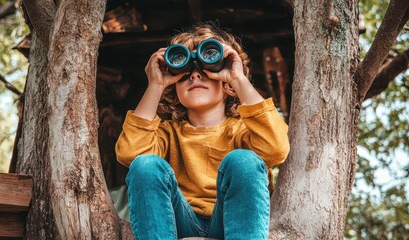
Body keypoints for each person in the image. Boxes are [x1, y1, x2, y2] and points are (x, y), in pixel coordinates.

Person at [115, 22, 290, 240]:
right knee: (145, 164)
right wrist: (156, 85)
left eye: (206, 70)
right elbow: (130, 154)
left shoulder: (243, 131)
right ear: (174, 88)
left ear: (226, 84)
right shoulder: (167, 134)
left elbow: (277, 148)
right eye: (185, 71)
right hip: (176, 222)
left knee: (243, 161)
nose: (195, 75)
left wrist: (238, 78)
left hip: (232, 222)